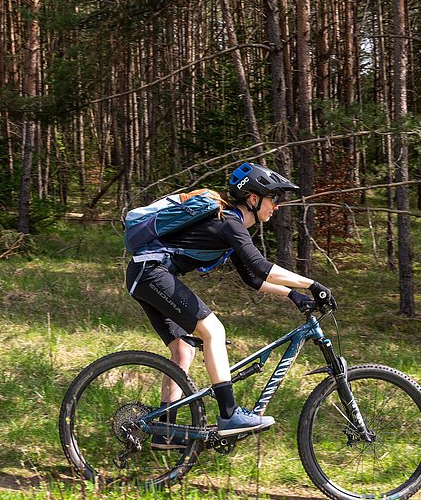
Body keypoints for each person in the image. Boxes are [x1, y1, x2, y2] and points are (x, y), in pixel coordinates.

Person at [124, 163, 336, 447]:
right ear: (253, 198)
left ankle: (164, 430)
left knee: (183, 350)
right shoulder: (229, 223)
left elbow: (252, 277)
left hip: (144, 274)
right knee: (213, 331)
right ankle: (229, 415)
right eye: (273, 199)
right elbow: (261, 266)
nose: (276, 206)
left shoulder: (230, 223)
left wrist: (292, 294)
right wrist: (311, 284)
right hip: (151, 273)